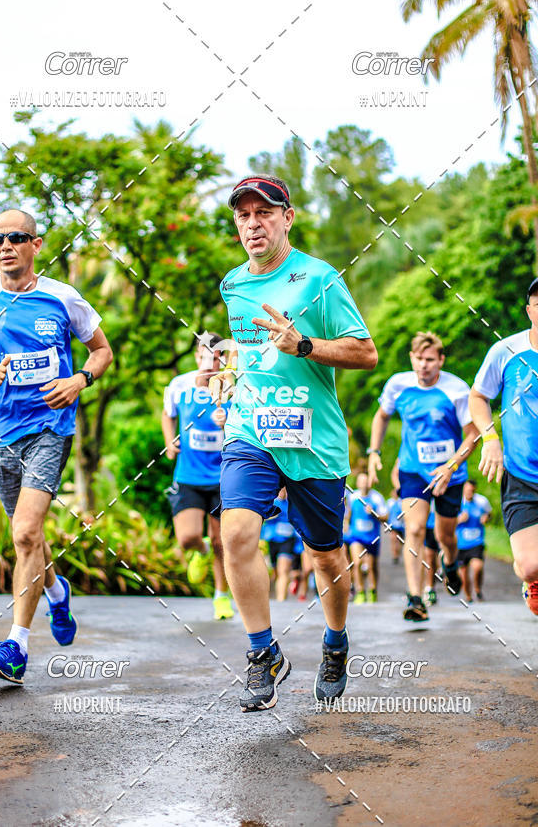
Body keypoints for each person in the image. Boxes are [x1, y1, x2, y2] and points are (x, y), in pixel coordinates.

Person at [210, 174, 377, 712]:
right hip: (251, 429)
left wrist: (303, 344)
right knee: (235, 533)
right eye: (243, 215)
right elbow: (251, 353)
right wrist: (227, 376)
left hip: (313, 440)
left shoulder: (319, 279)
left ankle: (335, 642)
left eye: (264, 213)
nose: (253, 224)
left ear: (288, 217)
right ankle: (263, 652)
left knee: (325, 558)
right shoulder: (232, 284)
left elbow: (365, 353)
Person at [0, 209, 113, 684]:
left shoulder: (62, 297)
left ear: (36, 244)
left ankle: (16, 647)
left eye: (16, 237)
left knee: (25, 531)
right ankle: (56, 592)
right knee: (28, 536)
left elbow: (102, 351)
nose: (6, 247)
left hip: (50, 429)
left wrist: (79, 380)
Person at [368, 331, 479, 622]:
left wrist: (450, 467)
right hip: (413, 470)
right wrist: (374, 451)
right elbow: (382, 415)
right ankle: (415, 598)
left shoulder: (456, 389)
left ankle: (450, 563)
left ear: (441, 360)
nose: (423, 365)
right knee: (415, 529)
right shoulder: (398, 385)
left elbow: (473, 435)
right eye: (418, 358)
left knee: (445, 536)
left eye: (430, 359)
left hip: (451, 473)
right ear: (411, 358)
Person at [469, 277, 538, 615]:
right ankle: (531, 578)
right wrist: (490, 439)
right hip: (522, 474)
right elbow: (478, 397)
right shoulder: (507, 350)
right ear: (529, 311)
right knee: (529, 566)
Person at [161, 333, 234, 620]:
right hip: (189, 474)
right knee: (187, 537)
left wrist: (227, 422)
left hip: (222, 475)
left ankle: (221, 597)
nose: (210, 362)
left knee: (221, 540)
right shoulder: (179, 385)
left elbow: (245, 424)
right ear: (196, 356)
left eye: (216, 357)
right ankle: (200, 551)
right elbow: (167, 414)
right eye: (205, 356)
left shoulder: (232, 387)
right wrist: (169, 441)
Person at [344, 472, 387, 603]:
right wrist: (345, 525)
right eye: (361, 481)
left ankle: (373, 590)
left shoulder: (377, 498)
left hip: (372, 538)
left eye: (366, 481)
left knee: (371, 567)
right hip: (356, 537)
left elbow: (385, 517)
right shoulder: (352, 497)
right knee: (357, 563)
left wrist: (374, 513)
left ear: (370, 483)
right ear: (357, 483)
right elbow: (347, 514)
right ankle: (360, 591)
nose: (363, 484)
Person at [261, 487, 304, 601]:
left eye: (285, 490)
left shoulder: (293, 504)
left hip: (288, 541)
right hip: (272, 540)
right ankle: (276, 595)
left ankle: (281, 601)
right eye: (281, 490)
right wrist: (273, 514)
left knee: (283, 570)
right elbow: (262, 517)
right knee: (275, 573)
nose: (283, 492)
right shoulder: (271, 502)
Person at [456, 479, 491, 602]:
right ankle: (468, 596)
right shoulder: (456, 502)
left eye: (471, 491)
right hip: (460, 544)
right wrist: (459, 520)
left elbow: (489, 513)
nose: (469, 493)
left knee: (477, 567)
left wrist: (486, 518)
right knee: (463, 573)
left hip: (477, 542)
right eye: (467, 490)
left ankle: (477, 589)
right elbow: (447, 523)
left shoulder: (482, 501)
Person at [422, 502, 439, 606]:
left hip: (444, 524)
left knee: (443, 558)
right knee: (429, 558)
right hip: (428, 526)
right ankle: (429, 588)